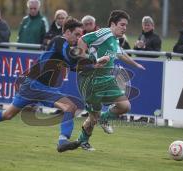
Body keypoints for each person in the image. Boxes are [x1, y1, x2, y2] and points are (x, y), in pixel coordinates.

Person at [0, 17, 110, 152]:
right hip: (36, 85)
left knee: (9, 114)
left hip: (38, 86)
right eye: (77, 34)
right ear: (67, 32)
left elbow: (72, 66)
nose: (79, 38)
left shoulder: (66, 46)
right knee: (68, 107)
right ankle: (62, 142)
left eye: (81, 35)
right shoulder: (59, 41)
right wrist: (92, 59)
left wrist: (94, 66)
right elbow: (71, 58)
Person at [61, 10, 145, 151]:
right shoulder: (104, 33)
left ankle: (104, 118)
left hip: (106, 79)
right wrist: (83, 57)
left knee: (125, 106)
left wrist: (136, 64)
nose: (124, 28)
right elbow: (83, 39)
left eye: (126, 25)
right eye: (122, 24)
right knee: (93, 117)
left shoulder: (115, 39)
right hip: (91, 80)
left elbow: (121, 54)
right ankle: (83, 141)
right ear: (112, 24)